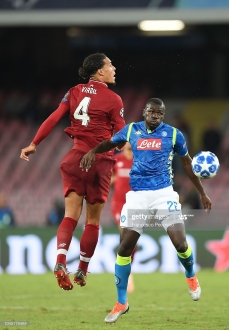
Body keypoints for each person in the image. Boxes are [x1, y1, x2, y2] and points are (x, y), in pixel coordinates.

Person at [80, 98, 212, 324]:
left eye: (160, 113)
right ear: (144, 112)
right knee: (124, 248)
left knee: (180, 243)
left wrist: (201, 191)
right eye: (152, 112)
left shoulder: (173, 134)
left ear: (163, 115)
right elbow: (109, 143)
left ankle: (190, 275)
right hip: (138, 196)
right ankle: (122, 302)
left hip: (164, 194)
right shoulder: (132, 130)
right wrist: (93, 151)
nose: (156, 116)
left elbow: (188, 163)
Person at [20, 53, 126, 290]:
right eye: (110, 65)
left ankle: (60, 262)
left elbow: (54, 117)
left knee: (70, 216)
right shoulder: (114, 100)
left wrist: (34, 143)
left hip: (74, 159)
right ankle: (82, 270)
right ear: (100, 71)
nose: (114, 68)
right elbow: (121, 138)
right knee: (93, 221)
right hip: (99, 162)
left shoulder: (74, 91)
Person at [110, 142, 135, 293]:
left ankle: (128, 267)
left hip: (135, 205)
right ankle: (127, 275)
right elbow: (111, 177)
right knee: (126, 234)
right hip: (119, 205)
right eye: (127, 147)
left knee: (132, 241)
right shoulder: (116, 160)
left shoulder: (139, 161)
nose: (129, 151)